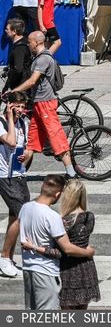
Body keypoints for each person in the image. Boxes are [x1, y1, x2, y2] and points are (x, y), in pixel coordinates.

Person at [19, 175, 94, 311]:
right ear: (58, 194)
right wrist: (88, 252)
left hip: (28, 268)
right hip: (46, 272)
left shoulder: (25, 208)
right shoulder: (52, 216)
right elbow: (67, 249)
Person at [12, 31, 74, 179]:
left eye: (30, 42)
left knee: (55, 135)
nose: (28, 44)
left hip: (45, 102)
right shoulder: (40, 57)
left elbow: (33, 81)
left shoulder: (43, 60)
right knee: (32, 139)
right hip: (38, 103)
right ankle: (18, 171)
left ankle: (71, 172)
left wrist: (13, 91)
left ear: (37, 42)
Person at [56, 179, 99, 310]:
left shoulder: (64, 221)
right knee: (82, 308)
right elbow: (82, 239)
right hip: (86, 267)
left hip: (68, 269)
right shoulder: (89, 217)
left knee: (67, 310)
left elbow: (64, 248)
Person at [0, 91, 30, 279]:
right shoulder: (2, 123)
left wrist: (26, 156)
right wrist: (10, 118)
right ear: (9, 105)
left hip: (19, 174)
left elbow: (26, 148)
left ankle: (8, 258)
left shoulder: (23, 123)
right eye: (16, 106)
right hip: (5, 176)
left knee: (15, 217)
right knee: (21, 217)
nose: (19, 110)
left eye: (21, 106)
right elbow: (10, 141)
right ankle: (4, 257)